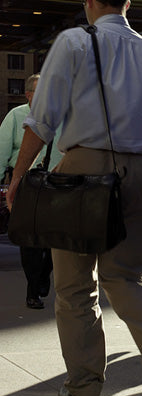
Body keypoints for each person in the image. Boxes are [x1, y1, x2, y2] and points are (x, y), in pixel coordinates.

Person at [6, 1, 142, 396]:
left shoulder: (74, 42)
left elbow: (40, 119)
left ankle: (83, 387)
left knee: (74, 288)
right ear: (127, 3)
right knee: (125, 276)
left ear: (89, 2)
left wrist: (18, 176)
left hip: (84, 171)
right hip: (141, 170)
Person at [0, 74, 62, 310]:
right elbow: (1, 151)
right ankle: (32, 290)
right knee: (30, 242)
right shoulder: (15, 116)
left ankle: (43, 275)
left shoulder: (63, 116)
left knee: (54, 240)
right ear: (28, 95)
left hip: (59, 187)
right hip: (28, 185)